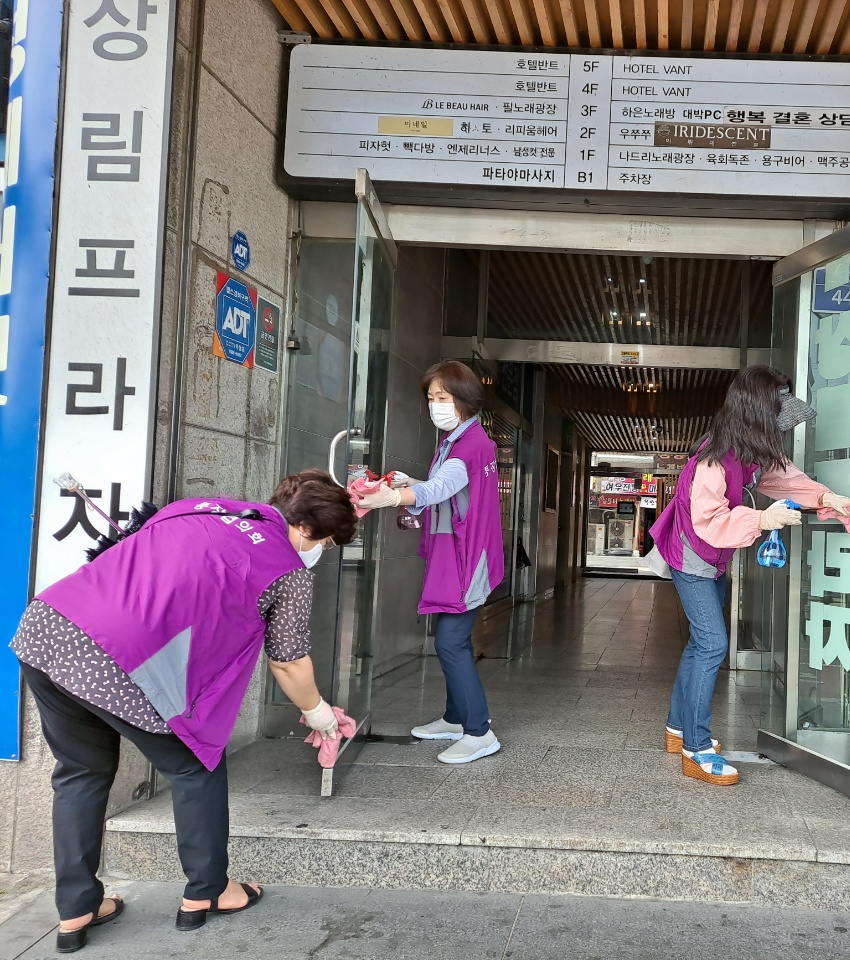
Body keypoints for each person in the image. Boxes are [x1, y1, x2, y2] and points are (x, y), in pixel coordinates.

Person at [11, 470, 359, 950]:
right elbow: (289, 662)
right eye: (329, 542)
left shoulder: (201, 507)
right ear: (308, 531)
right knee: (197, 768)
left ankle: (76, 907)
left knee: (80, 773)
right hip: (116, 660)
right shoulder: (288, 569)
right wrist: (321, 715)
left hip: (50, 629)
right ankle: (208, 890)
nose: (321, 551)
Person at [646, 365, 850, 786]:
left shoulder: (750, 450)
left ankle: (676, 729)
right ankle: (696, 747)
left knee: (701, 645)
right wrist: (762, 518)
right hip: (692, 555)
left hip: (714, 555)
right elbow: (707, 519)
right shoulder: (713, 456)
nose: (782, 423)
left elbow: (786, 480)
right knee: (712, 645)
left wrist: (828, 497)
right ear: (758, 410)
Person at [357, 360, 505, 764]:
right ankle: (456, 718)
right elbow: (449, 489)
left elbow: (442, 488)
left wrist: (393, 497)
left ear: (465, 399)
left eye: (443, 398)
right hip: (459, 551)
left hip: (467, 557)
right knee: (449, 639)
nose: (435, 405)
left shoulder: (469, 444)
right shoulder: (458, 440)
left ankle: (479, 731)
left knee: (450, 641)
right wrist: (409, 484)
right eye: (431, 398)